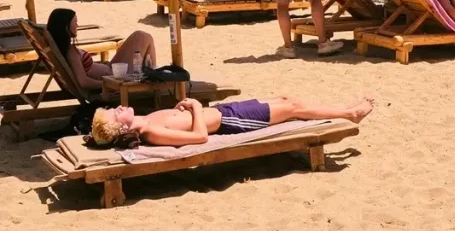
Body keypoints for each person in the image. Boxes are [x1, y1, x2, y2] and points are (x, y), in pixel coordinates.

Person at [90, 93, 374, 148]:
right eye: (116, 112)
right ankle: (351, 113)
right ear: (122, 127)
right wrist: (197, 108)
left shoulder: (146, 119)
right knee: (295, 108)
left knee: (288, 98)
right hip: (232, 121)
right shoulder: (152, 132)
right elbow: (200, 138)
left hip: (227, 109)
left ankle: (345, 108)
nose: (118, 106)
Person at [47, 9, 156, 95]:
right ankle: (155, 85)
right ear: (66, 27)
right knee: (143, 37)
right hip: (114, 78)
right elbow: (83, 82)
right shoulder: (70, 52)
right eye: (75, 23)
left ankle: (153, 78)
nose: (77, 26)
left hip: (112, 72)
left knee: (141, 36)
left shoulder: (64, 48)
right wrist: (109, 84)